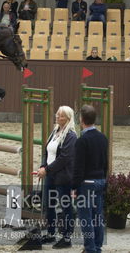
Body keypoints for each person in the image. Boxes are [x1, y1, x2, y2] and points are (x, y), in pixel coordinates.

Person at [37, 106, 77, 249]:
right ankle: (51, 233)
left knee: (66, 206)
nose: (57, 117)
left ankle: (67, 237)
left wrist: (46, 170)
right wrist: (43, 167)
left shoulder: (71, 136)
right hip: (50, 174)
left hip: (63, 177)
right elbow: (47, 152)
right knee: (49, 205)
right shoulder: (55, 132)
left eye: (60, 115)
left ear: (67, 118)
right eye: (57, 114)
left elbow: (64, 158)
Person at [72, 105, 108, 253]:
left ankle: (90, 248)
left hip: (87, 183)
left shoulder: (82, 141)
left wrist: (74, 187)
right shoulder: (103, 138)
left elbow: (78, 168)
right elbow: (105, 163)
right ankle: (97, 247)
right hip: (100, 180)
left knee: (86, 218)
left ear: (81, 120)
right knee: (98, 216)